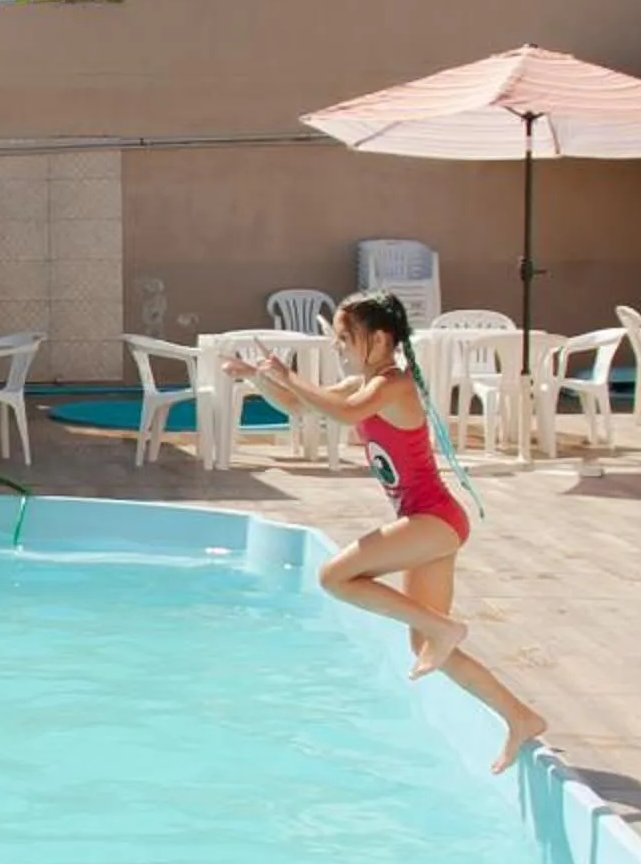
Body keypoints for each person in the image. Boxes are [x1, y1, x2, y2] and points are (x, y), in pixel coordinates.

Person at [227, 293, 547, 773]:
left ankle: (445, 629)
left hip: (434, 519)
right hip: (428, 524)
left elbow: (342, 413)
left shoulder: (392, 386)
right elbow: (300, 408)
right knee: (425, 650)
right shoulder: (364, 384)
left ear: (379, 339)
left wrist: (288, 372)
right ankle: (519, 717)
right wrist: (259, 379)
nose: (339, 348)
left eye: (344, 339)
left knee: (335, 577)